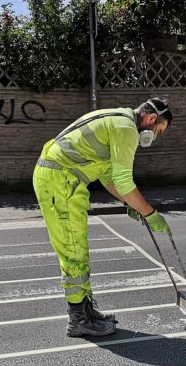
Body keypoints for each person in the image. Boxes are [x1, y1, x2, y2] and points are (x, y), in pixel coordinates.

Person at [33, 98, 173, 337]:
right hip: (60, 181)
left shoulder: (118, 118)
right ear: (151, 119)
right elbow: (124, 181)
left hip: (62, 179)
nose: (155, 136)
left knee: (78, 248)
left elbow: (109, 177)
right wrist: (150, 213)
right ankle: (77, 319)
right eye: (158, 130)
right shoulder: (126, 129)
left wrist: (132, 204)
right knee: (74, 251)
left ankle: (85, 311)